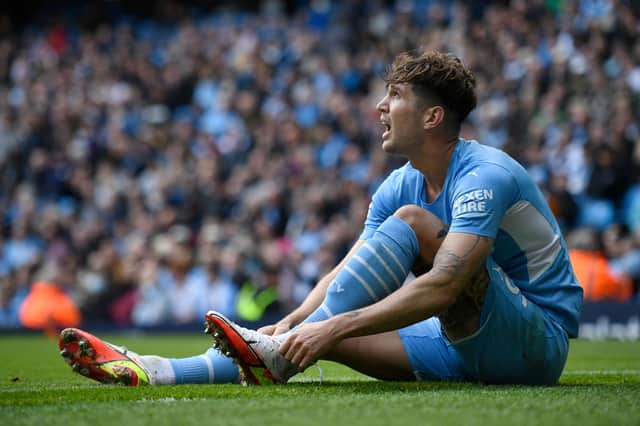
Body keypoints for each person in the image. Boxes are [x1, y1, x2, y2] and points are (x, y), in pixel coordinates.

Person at [59, 50, 583, 387]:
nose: (380, 106)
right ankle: (156, 372)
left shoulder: (485, 174)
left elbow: (446, 284)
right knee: (311, 341)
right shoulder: (401, 181)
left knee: (409, 231)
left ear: (432, 116)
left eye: (395, 96)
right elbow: (346, 271)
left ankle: (275, 354)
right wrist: (286, 325)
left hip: (537, 344)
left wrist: (329, 326)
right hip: (461, 346)